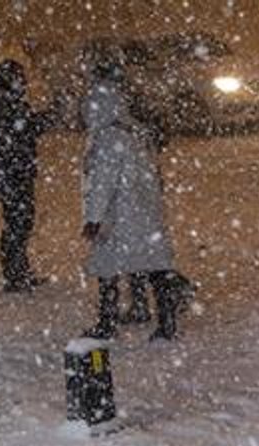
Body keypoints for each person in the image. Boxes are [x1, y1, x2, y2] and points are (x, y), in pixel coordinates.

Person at [81, 61, 186, 341]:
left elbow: (101, 184)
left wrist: (93, 217)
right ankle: (166, 322)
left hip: (119, 217)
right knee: (153, 265)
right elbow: (153, 176)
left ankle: (107, 323)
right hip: (143, 213)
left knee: (108, 270)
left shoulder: (109, 139)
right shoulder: (134, 133)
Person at [0, 60, 55, 292]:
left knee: (22, 221)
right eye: (19, 76)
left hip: (15, 171)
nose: (23, 80)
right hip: (10, 172)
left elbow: (24, 126)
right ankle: (14, 275)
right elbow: (17, 129)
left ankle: (19, 270)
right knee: (16, 222)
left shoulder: (7, 99)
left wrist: (43, 120)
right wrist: (40, 121)